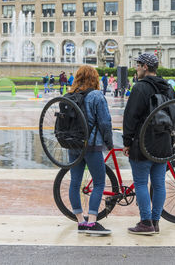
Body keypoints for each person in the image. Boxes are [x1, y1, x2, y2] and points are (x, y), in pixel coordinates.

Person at [122, 53, 175, 235]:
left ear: (145, 67)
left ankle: (145, 222)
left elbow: (130, 116)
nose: (136, 68)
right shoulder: (168, 87)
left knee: (140, 183)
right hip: (163, 144)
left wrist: (127, 141)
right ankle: (155, 221)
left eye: (138, 65)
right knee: (159, 184)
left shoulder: (140, 88)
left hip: (142, 143)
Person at [67, 65, 113, 235]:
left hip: (73, 145)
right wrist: (109, 142)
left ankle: (81, 221)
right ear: (94, 78)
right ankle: (92, 222)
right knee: (99, 182)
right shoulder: (96, 96)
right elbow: (105, 122)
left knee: (75, 182)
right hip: (92, 145)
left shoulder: (70, 95)